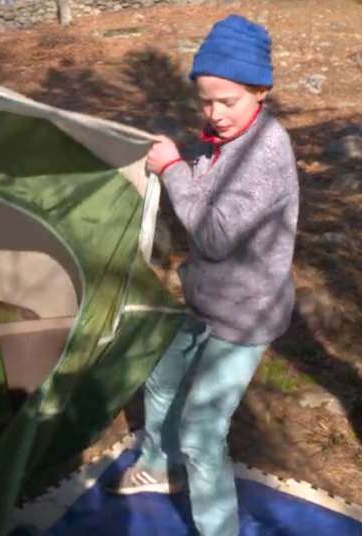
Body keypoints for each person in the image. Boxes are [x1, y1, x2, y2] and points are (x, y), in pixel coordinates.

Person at [104, 14, 300, 536]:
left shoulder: (265, 151)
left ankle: (219, 529)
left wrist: (173, 171)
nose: (214, 114)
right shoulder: (224, 141)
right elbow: (203, 199)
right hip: (205, 299)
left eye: (227, 101)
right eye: (206, 101)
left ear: (260, 90)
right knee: (162, 381)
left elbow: (213, 235)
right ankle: (158, 467)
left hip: (244, 315)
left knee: (200, 432)